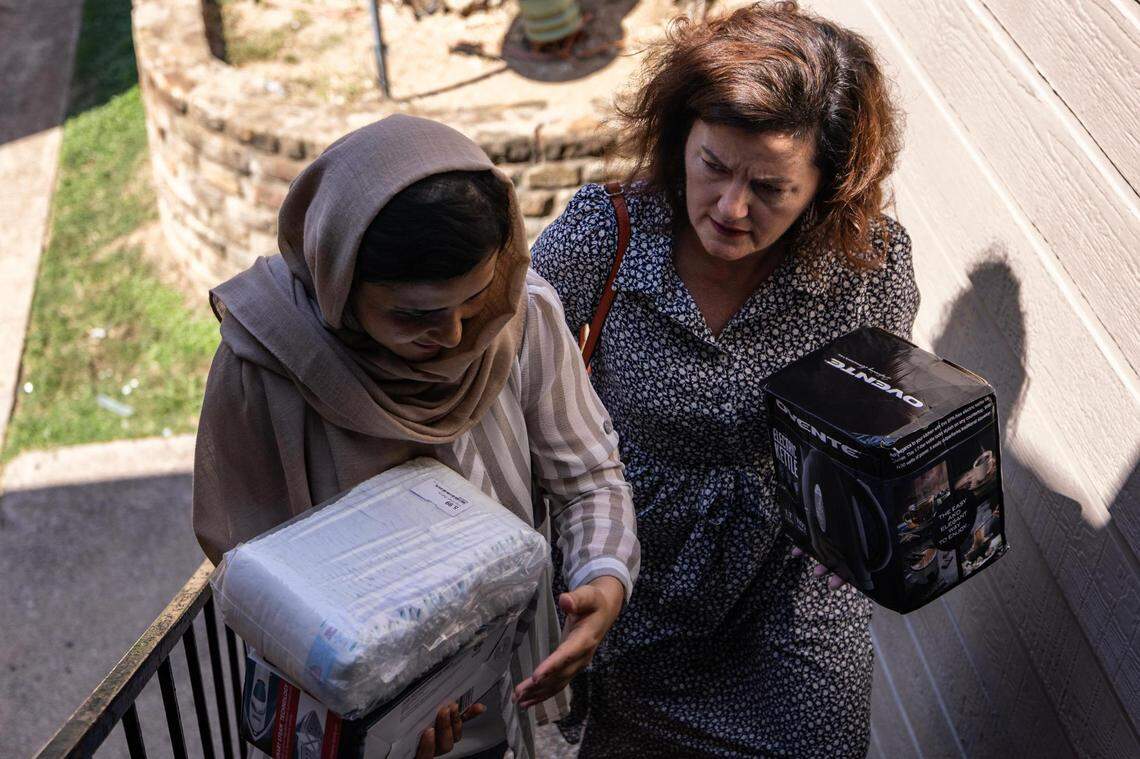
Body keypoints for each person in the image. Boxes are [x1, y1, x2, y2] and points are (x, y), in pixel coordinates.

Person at [530, 2, 919, 756]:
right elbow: (504, 369)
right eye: (713, 166)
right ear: (681, 138)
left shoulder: (869, 266)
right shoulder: (602, 232)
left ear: (826, 184)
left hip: (792, 594)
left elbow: (876, 426)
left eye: (771, 187)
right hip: (633, 578)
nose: (732, 208)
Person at [192, 114, 640, 759]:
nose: (456, 337)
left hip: (512, 681)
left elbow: (587, 478)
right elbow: (252, 570)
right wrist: (386, 714)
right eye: (414, 315)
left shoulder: (520, 316)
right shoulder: (265, 365)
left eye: (474, 299)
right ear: (338, 280)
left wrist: (602, 577)